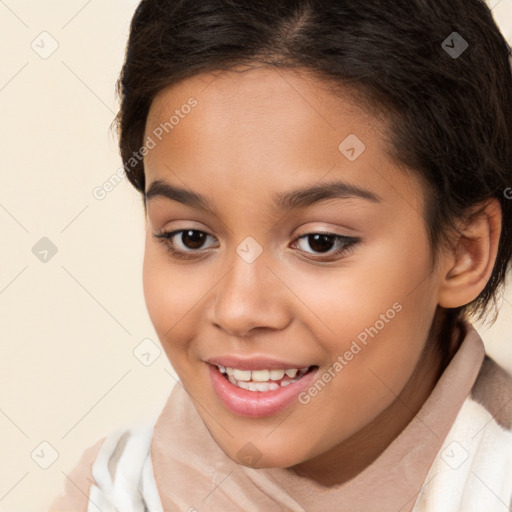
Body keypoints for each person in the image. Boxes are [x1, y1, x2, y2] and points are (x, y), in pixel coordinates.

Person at [49, 0, 512, 510]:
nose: (239, 310)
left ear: (464, 253)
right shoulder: (112, 492)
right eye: (191, 237)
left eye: (320, 242)